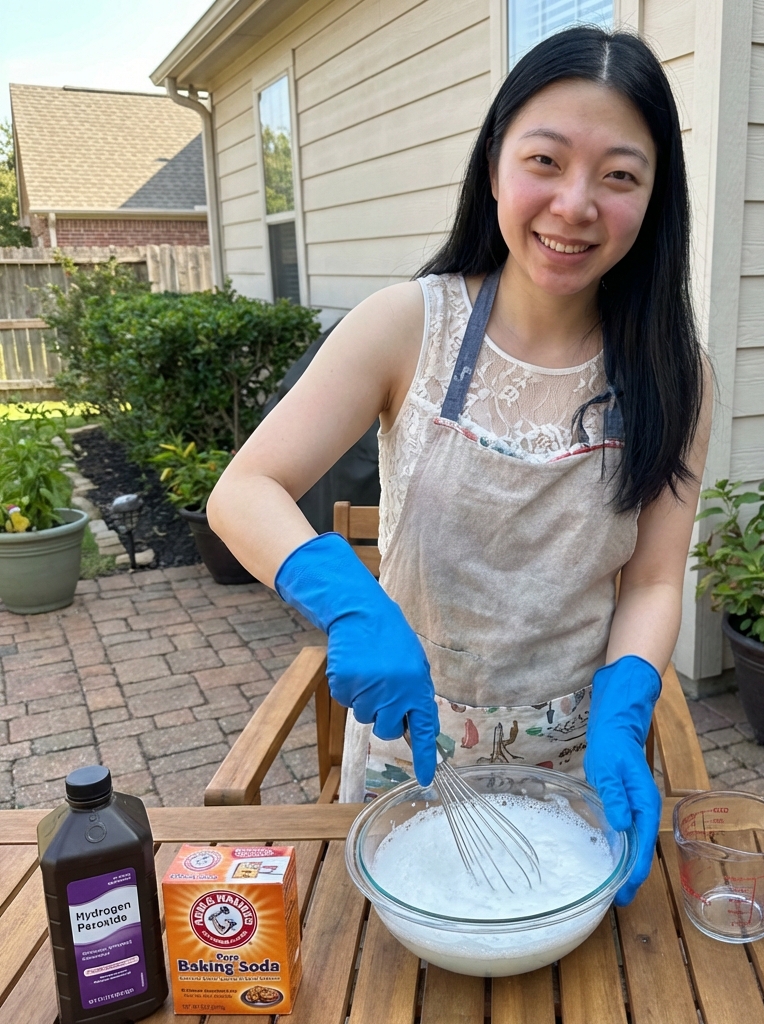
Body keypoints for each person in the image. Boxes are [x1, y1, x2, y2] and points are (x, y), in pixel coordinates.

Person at [207, 26, 712, 906]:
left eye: (620, 175)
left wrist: (629, 706)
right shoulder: (408, 326)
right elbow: (244, 491)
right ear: (494, 168)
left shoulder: (676, 375)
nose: (575, 205)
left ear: (654, 197)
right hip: (412, 751)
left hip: (576, 765)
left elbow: (653, 581)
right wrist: (351, 602)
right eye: (546, 161)